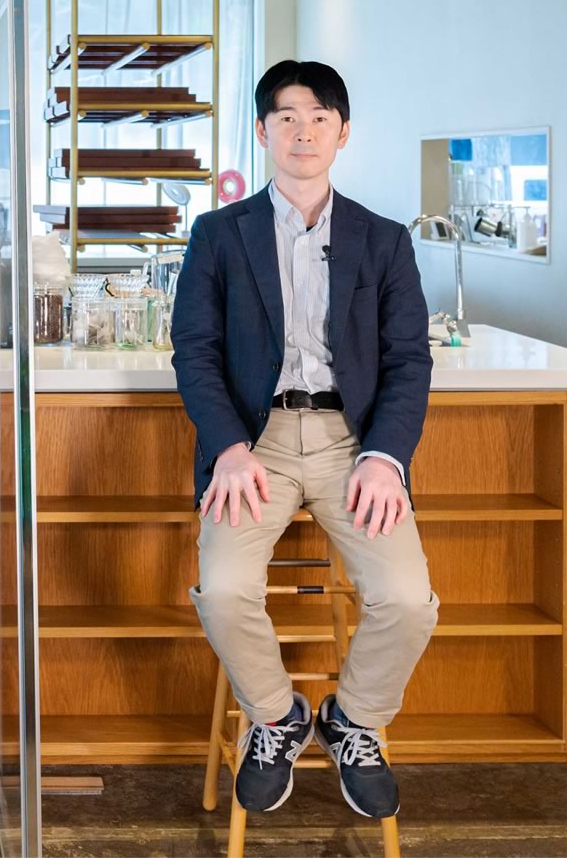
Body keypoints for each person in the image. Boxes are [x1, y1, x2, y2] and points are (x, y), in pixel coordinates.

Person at [171, 60, 439, 819]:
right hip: (251, 445)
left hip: (354, 443)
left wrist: (386, 458)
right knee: (224, 591)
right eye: (287, 117)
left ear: (342, 133)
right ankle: (277, 716)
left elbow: (408, 359)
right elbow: (194, 349)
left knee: (408, 601)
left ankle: (353, 720)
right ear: (263, 131)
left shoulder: (382, 239)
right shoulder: (219, 234)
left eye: (320, 117)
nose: (303, 131)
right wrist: (228, 447)